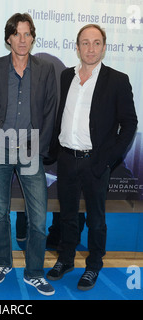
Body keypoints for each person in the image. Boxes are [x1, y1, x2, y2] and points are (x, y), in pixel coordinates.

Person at [46, 24, 138, 291]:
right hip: (66, 158)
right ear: (77, 47)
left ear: (104, 47)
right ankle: (66, 259)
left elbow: (129, 123)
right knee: (68, 215)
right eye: (85, 43)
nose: (90, 48)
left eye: (96, 43)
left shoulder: (117, 80)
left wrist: (108, 159)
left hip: (96, 162)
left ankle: (94, 264)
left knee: (97, 219)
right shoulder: (66, 76)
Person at [0, 13, 57, 296]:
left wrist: (38, 146)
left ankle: (34, 272)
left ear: (33, 37)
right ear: (8, 37)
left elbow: (50, 112)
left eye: (27, 34)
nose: (22, 40)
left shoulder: (46, 70)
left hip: (30, 150)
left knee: (38, 218)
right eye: (17, 34)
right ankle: (2, 263)